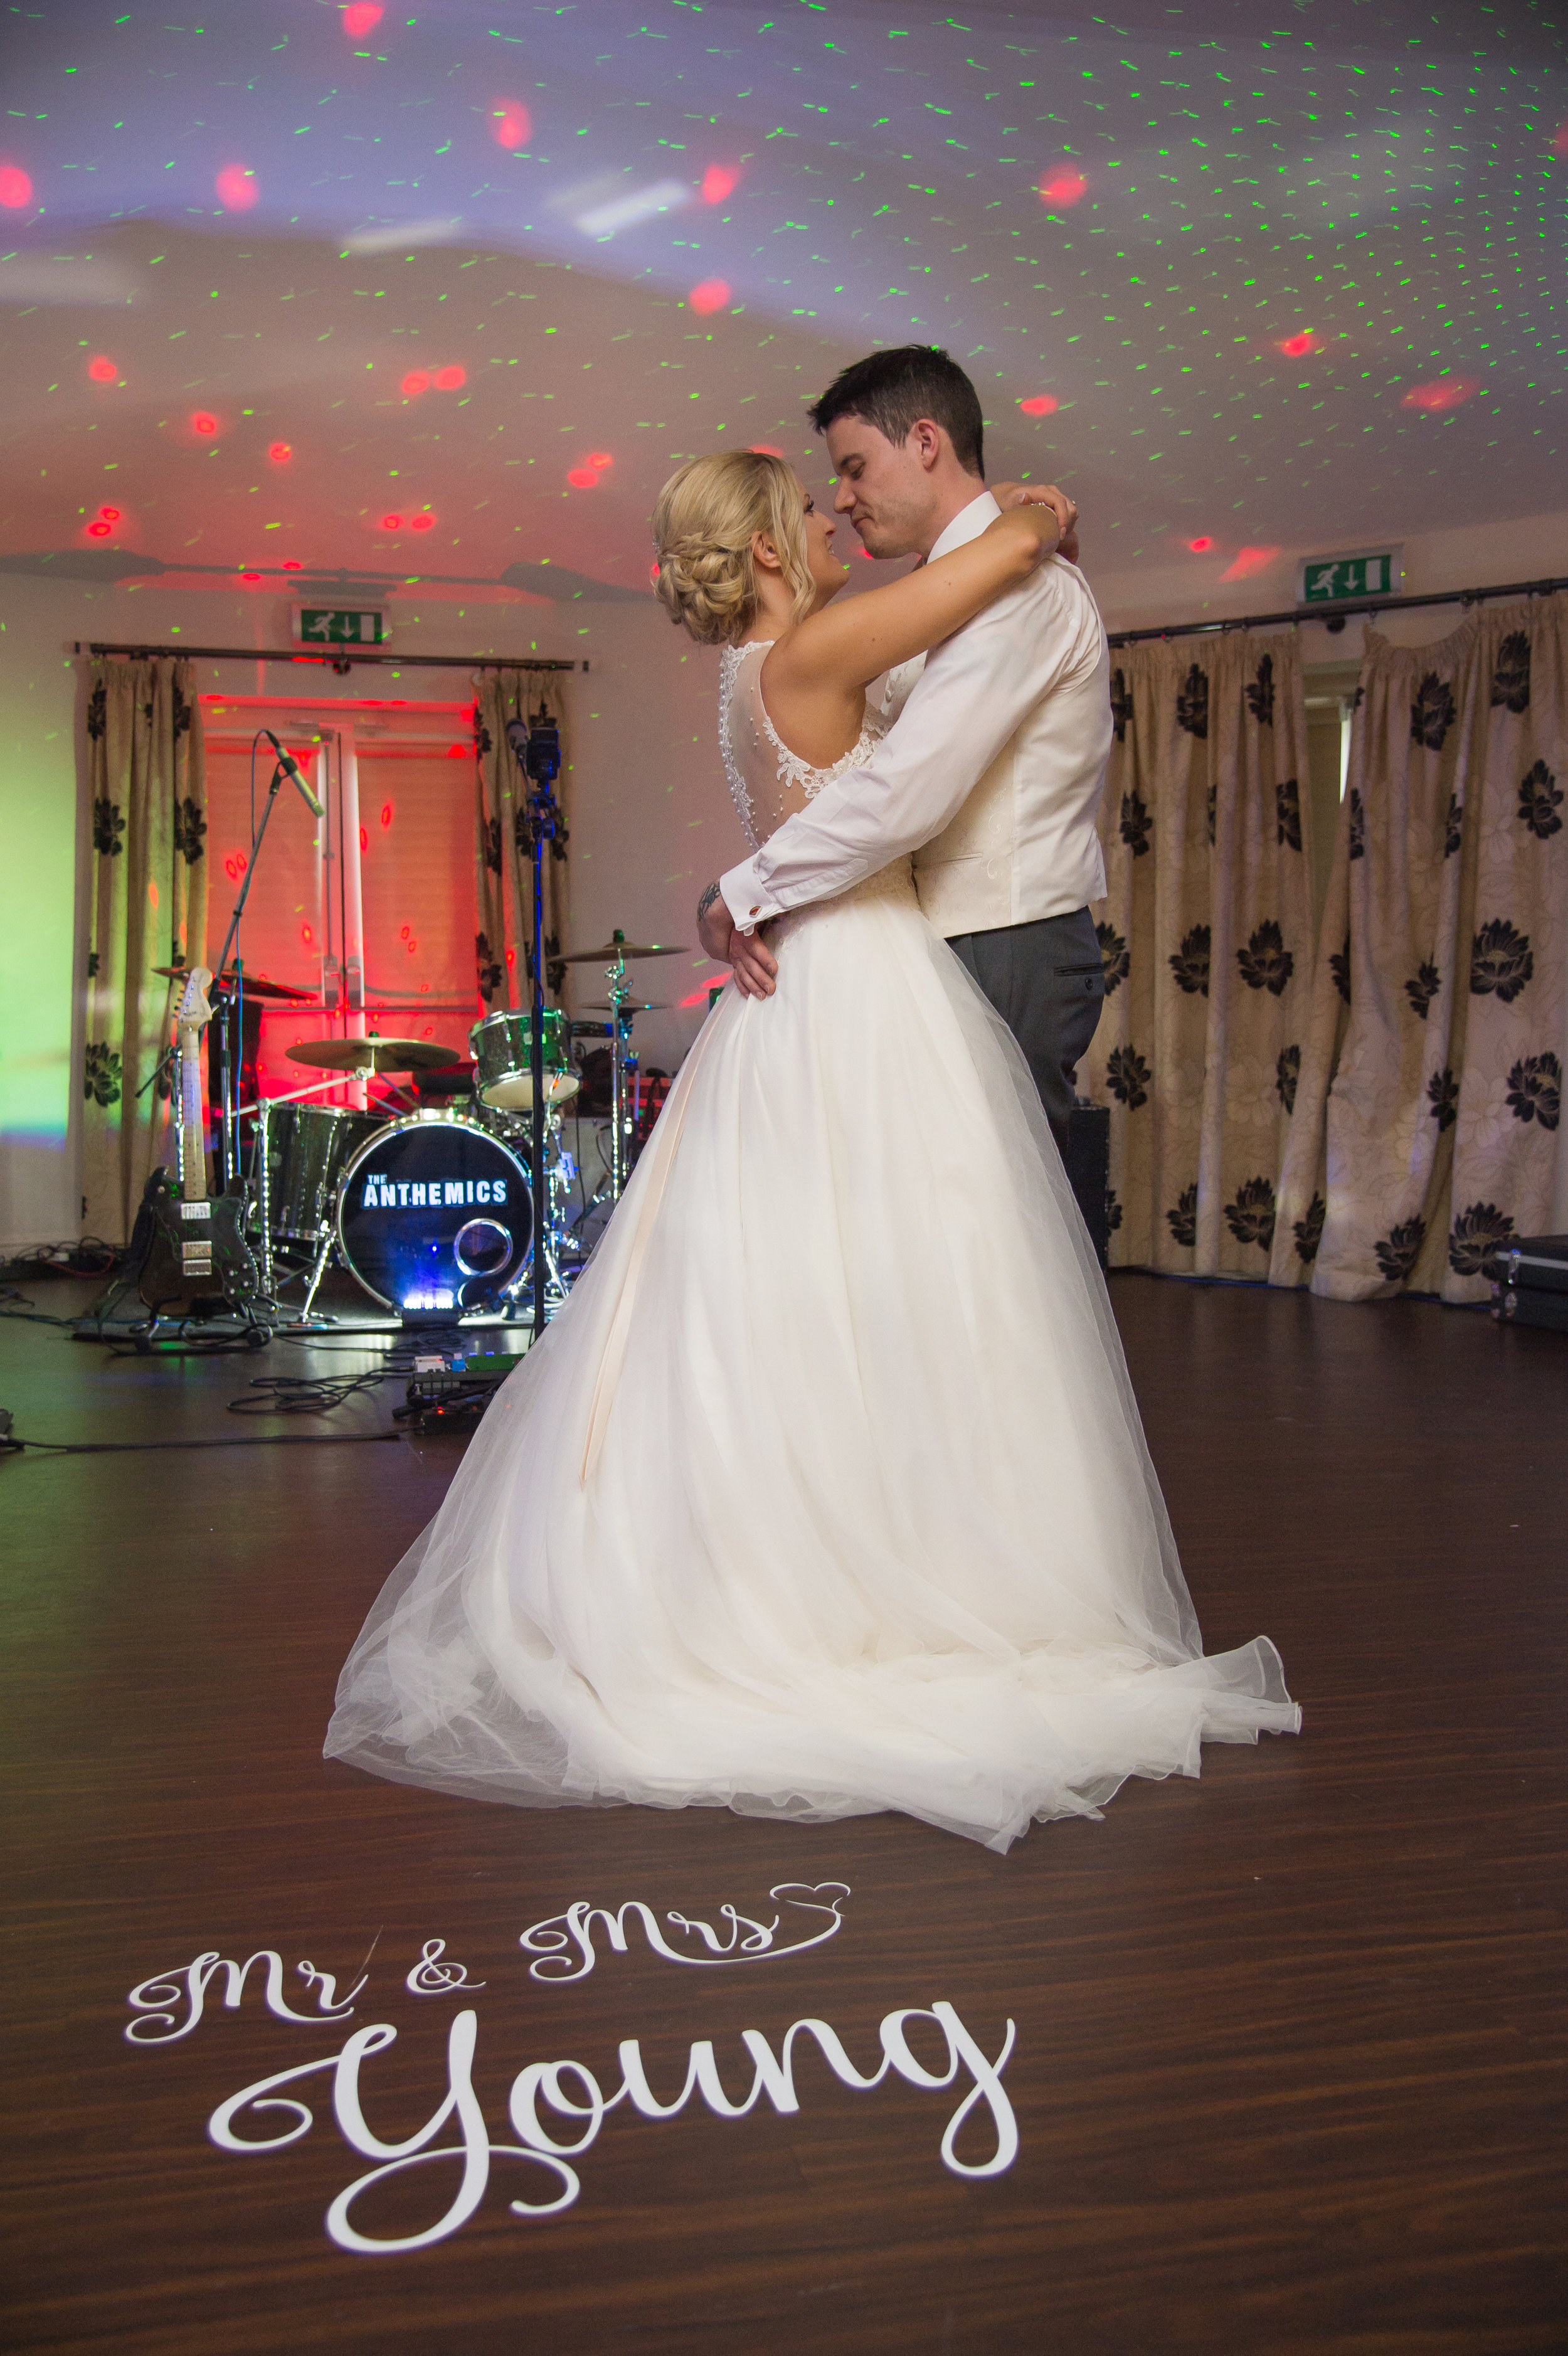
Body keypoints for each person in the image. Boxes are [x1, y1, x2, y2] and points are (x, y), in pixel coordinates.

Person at [324, 448, 1298, 1854]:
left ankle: (831, 1548)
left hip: (810, 991)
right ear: (772, 549)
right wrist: (1034, 515)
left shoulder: (758, 673)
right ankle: (894, 1576)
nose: (839, 517)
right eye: (817, 500)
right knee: (908, 1284)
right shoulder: (819, 644)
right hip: (863, 989)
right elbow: (991, 562)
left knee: (793, 1294)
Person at [699, 345, 1112, 1163]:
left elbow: (905, 793)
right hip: (926, 948)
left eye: (854, 469)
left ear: (926, 443)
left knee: (995, 1238)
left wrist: (740, 892)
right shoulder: (937, 596)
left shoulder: (1022, 592)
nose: (843, 501)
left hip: (1006, 941)